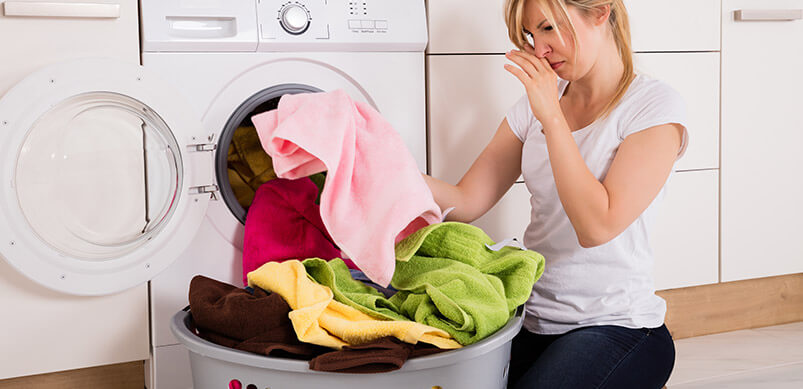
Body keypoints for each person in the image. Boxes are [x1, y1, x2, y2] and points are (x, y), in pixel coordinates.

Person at [422, 0, 687, 387]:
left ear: (600, 12)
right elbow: (465, 200)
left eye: (548, 28)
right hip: (532, 319)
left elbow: (596, 227)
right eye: (531, 35)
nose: (539, 48)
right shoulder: (534, 108)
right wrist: (371, 162)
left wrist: (552, 116)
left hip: (619, 327)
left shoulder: (652, 106)